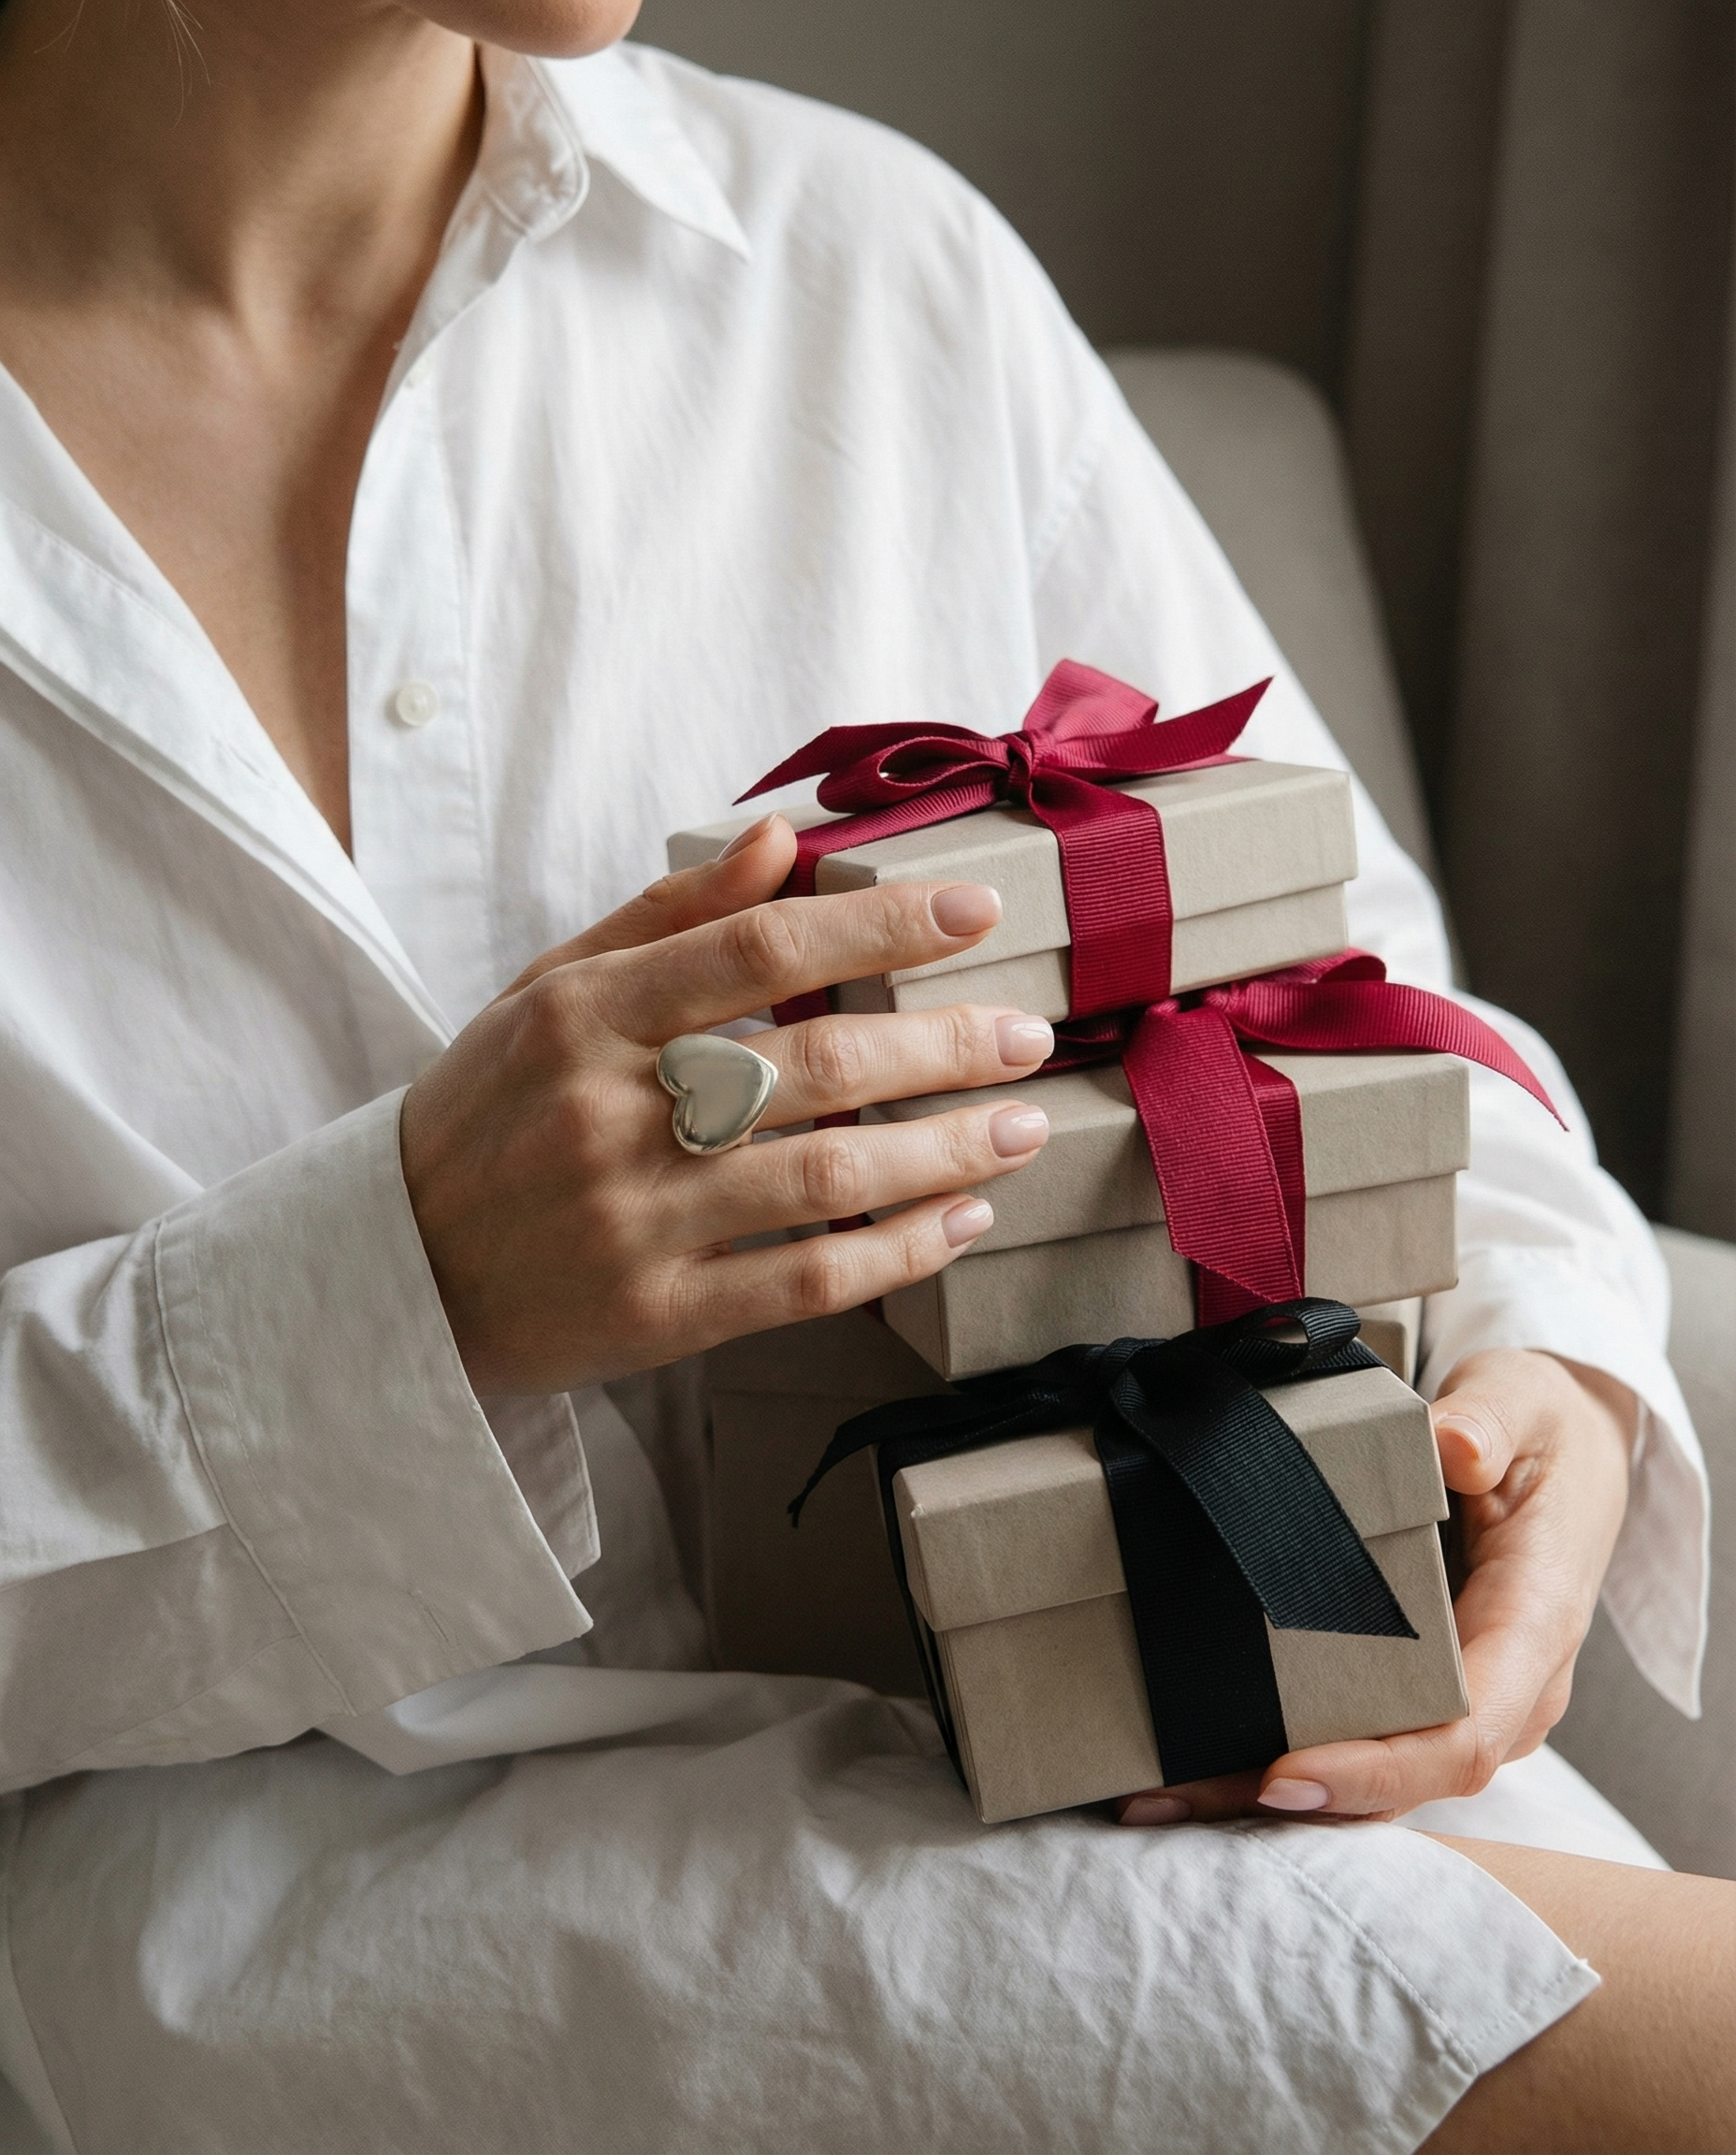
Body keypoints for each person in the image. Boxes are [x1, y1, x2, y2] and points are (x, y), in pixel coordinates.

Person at [0, 0, 1728, 2148]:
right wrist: (399, 1287)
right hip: (274, 1879)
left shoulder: (863, 266)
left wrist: (1540, 1366)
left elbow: (1356, 1002)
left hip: (1119, 1697)